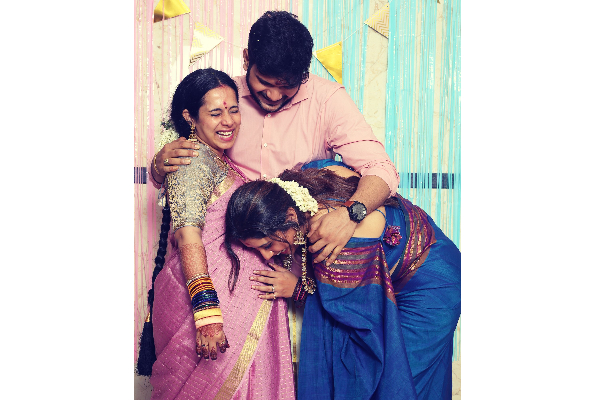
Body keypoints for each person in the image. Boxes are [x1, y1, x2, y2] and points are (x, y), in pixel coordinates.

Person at [147, 10, 401, 267]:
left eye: (287, 86)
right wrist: (159, 167)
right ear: (247, 59)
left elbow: (381, 168)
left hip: (294, 257)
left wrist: (350, 214)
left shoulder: (328, 100)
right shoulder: (222, 97)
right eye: (264, 82)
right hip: (223, 251)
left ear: (304, 74)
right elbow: (189, 168)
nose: (274, 96)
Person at [224, 159, 461, 400]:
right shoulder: (311, 177)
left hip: (431, 289)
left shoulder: (330, 242)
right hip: (433, 253)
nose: (266, 256)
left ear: (290, 215)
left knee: (397, 384)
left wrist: (297, 290)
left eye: (267, 245)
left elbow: (360, 328)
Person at [137, 68, 295, 400]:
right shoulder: (191, 159)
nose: (228, 121)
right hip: (206, 309)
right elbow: (188, 237)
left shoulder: (219, 160)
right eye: (215, 113)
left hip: (237, 303)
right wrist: (207, 313)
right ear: (189, 117)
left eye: (234, 110)